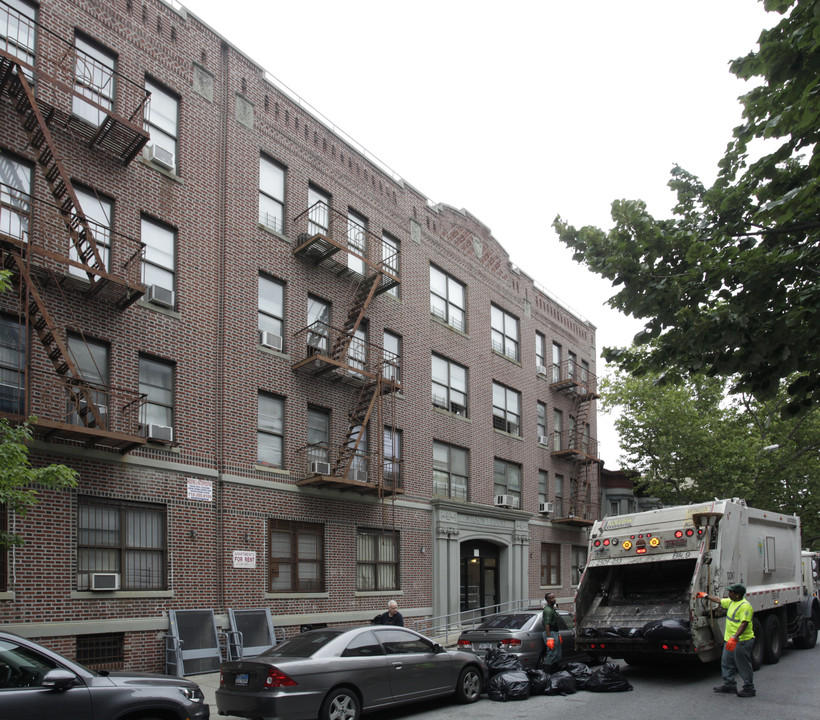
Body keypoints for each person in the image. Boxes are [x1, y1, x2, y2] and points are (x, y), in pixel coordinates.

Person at [701, 583, 756, 697]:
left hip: (742, 640)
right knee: (726, 662)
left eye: (731, 592)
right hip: (730, 640)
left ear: (737, 594)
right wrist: (705, 596)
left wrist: (734, 637)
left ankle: (749, 688)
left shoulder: (745, 606)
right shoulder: (731, 602)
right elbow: (719, 600)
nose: (728, 593)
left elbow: (744, 623)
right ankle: (730, 685)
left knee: (743, 664)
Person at [541, 592, 562, 670]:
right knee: (552, 653)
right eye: (551, 598)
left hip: (554, 633)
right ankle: (547, 671)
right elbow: (547, 624)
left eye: (554, 597)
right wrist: (549, 638)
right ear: (547, 600)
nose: (554, 599)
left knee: (557, 654)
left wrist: (558, 634)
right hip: (551, 633)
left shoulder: (552, 609)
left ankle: (555, 670)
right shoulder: (548, 611)